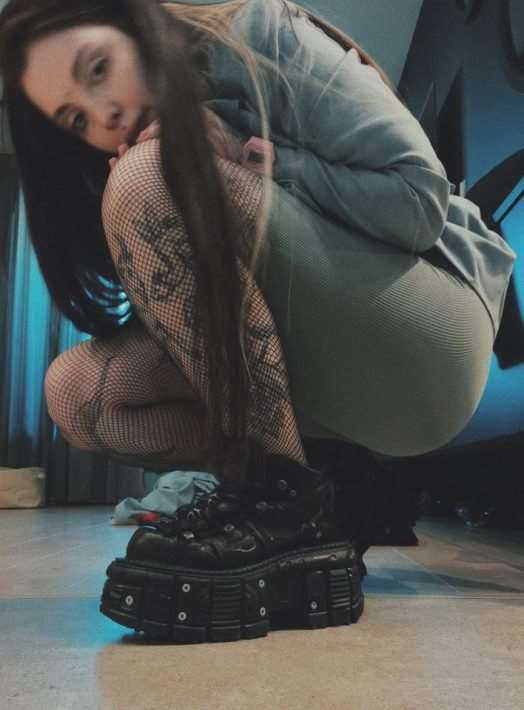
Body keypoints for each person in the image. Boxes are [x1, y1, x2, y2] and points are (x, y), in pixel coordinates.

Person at [0, 0, 516, 643]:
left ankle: (282, 505)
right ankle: (334, 489)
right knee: (80, 396)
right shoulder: (138, 155)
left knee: (148, 178)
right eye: (77, 118)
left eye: (99, 68)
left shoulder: (256, 32)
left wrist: (247, 158)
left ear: (136, 25)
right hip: (325, 381)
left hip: (430, 338)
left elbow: (418, 204)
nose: (103, 113)